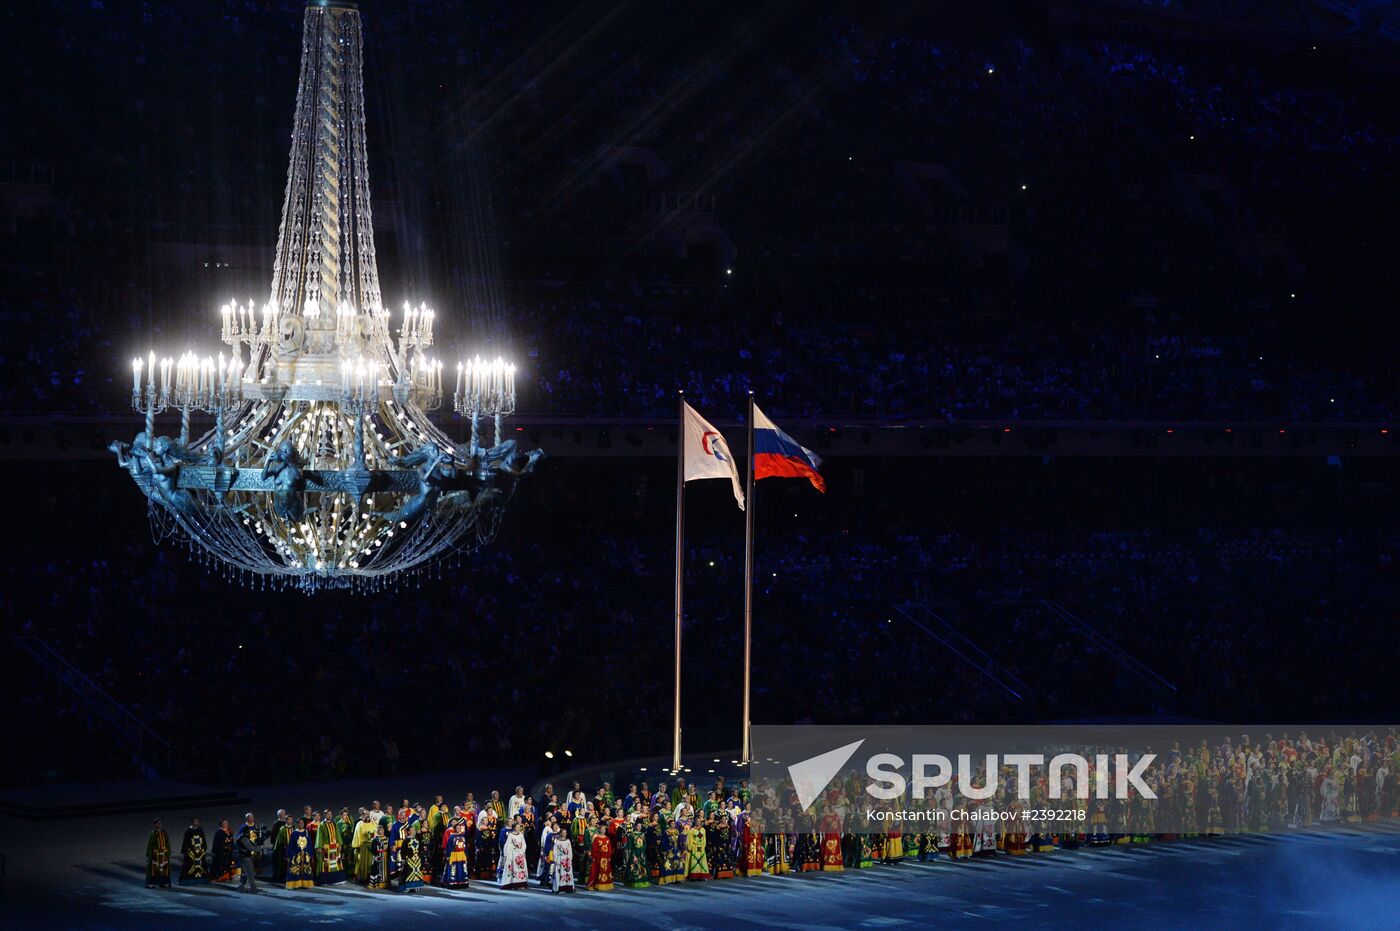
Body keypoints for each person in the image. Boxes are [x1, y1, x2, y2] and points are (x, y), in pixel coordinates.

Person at [315, 808, 346, 884]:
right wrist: (319, 847)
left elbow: (337, 834)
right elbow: (319, 836)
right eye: (328, 814)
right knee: (326, 865)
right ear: (325, 815)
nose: (330, 816)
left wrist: (340, 844)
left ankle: (337, 880)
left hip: (335, 847)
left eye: (330, 814)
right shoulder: (322, 824)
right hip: (326, 848)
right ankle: (326, 881)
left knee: (336, 863)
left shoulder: (334, 823)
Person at [285, 818, 316, 890]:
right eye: (300, 823)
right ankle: (295, 884)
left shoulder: (307, 833)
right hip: (296, 855)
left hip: (305, 855)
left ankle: (305, 884)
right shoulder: (294, 833)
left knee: (306, 870)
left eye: (302, 823)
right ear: (297, 824)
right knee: (295, 870)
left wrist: (310, 854)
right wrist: (291, 855)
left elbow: (310, 844)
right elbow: (291, 845)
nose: (301, 824)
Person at [179, 817, 208, 885]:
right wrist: (185, 851)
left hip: (199, 851)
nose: (196, 823)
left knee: (201, 865)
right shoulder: (188, 831)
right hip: (192, 852)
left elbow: (203, 839)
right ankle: (189, 880)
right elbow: (186, 841)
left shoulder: (200, 829)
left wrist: (204, 848)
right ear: (192, 822)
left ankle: (201, 880)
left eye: (197, 821)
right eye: (194, 821)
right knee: (190, 865)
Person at [441, 819, 470, 888]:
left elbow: (465, 846)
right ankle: (453, 882)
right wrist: (448, 855)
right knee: (453, 868)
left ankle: (462, 882)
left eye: (459, 828)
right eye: (457, 828)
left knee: (462, 868)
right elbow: (449, 846)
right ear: (454, 829)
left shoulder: (462, 836)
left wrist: (466, 854)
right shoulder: (451, 837)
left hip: (461, 855)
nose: (458, 829)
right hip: (454, 854)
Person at [235, 816, 260, 894]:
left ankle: (240, 887)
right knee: (250, 873)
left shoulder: (243, 837)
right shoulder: (243, 838)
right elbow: (250, 847)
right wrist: (258, 847)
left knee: (246, 873)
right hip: (244, 856)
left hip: (244, 856)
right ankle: (253, 889)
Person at [500, 823, 529, 889]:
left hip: (520, 854)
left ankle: (521, 883)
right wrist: (506, 854)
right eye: (517, 827)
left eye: (519, 827)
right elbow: (507, 845)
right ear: (514, 828)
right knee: (513, 868)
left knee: (520, 869)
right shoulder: (510, 835)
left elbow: (524, 844)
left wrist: (522, 851)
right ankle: (512, 883)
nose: (518, 828)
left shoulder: (521, 835)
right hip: (512, 854)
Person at [398, 824, 425, 892]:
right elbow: (403, 851)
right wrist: (403, 859)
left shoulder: (417, 839)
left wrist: (420, 856)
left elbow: (421, 848)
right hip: (409, 860)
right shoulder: (406, 840)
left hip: (417, 859)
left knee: (417, 873)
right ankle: (406, 886)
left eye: (414, 830)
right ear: (408, 832)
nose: (413, 831)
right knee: (408, 873)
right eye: (411, 830)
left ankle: (415, 886)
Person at [145, 819, 171, 888]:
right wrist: (149, 854)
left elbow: (167, 842)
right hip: (155, 855)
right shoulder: (152, 833)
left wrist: (168, 852)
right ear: (155, 825)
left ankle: (163, 883)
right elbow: (149, 844)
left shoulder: (164, 832)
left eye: (160, 823)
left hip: (163, 855)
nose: (159, 825)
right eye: (158, 823)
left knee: (164, 870)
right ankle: (151, 883)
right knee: (154, 870)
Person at [551, 829, 575, 893]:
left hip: (567, 860)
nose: (565, 834)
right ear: (560, 834)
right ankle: (560, 888)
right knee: (559, 874)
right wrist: (555, 859)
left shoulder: (568, 841)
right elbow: (555, 851)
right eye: (564, 833)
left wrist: (570, 858)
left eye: (566, 833)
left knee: (568, 873)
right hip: (559, 859)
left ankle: (568, 887)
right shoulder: (557, 841)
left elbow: (570, 850)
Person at [367, 823, 390, 890]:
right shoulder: (375, 840)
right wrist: (376, 856)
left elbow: (388, 848)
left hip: (385, 856)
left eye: (382, 830)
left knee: (385, 870)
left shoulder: (387, 838)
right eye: (380, 830)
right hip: (378, 856)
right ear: (378, 831)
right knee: (376, 870)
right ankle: (374, 884)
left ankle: (385, 884)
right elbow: (373, 849)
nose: (381, 831)